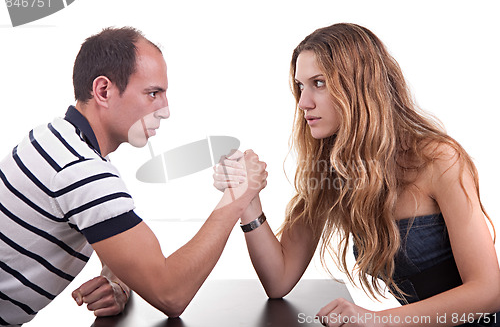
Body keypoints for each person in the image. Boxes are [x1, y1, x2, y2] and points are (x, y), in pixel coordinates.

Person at [214, 23, 500, 326]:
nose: (303, 102)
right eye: (300, 86)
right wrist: (247, 200)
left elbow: (489, 292)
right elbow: (279, 279)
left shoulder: (438, 159)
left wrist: (377, 320)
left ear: (359, 86)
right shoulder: (333, 170)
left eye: (319, 83)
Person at [0, 27, 267, 326]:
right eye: (153, 93)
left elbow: (112, 238)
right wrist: (238, 196)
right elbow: (171, 294)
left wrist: (117, 283)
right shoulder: (82, 172)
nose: (165, 110)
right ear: (103, 91)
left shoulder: (51, 138)